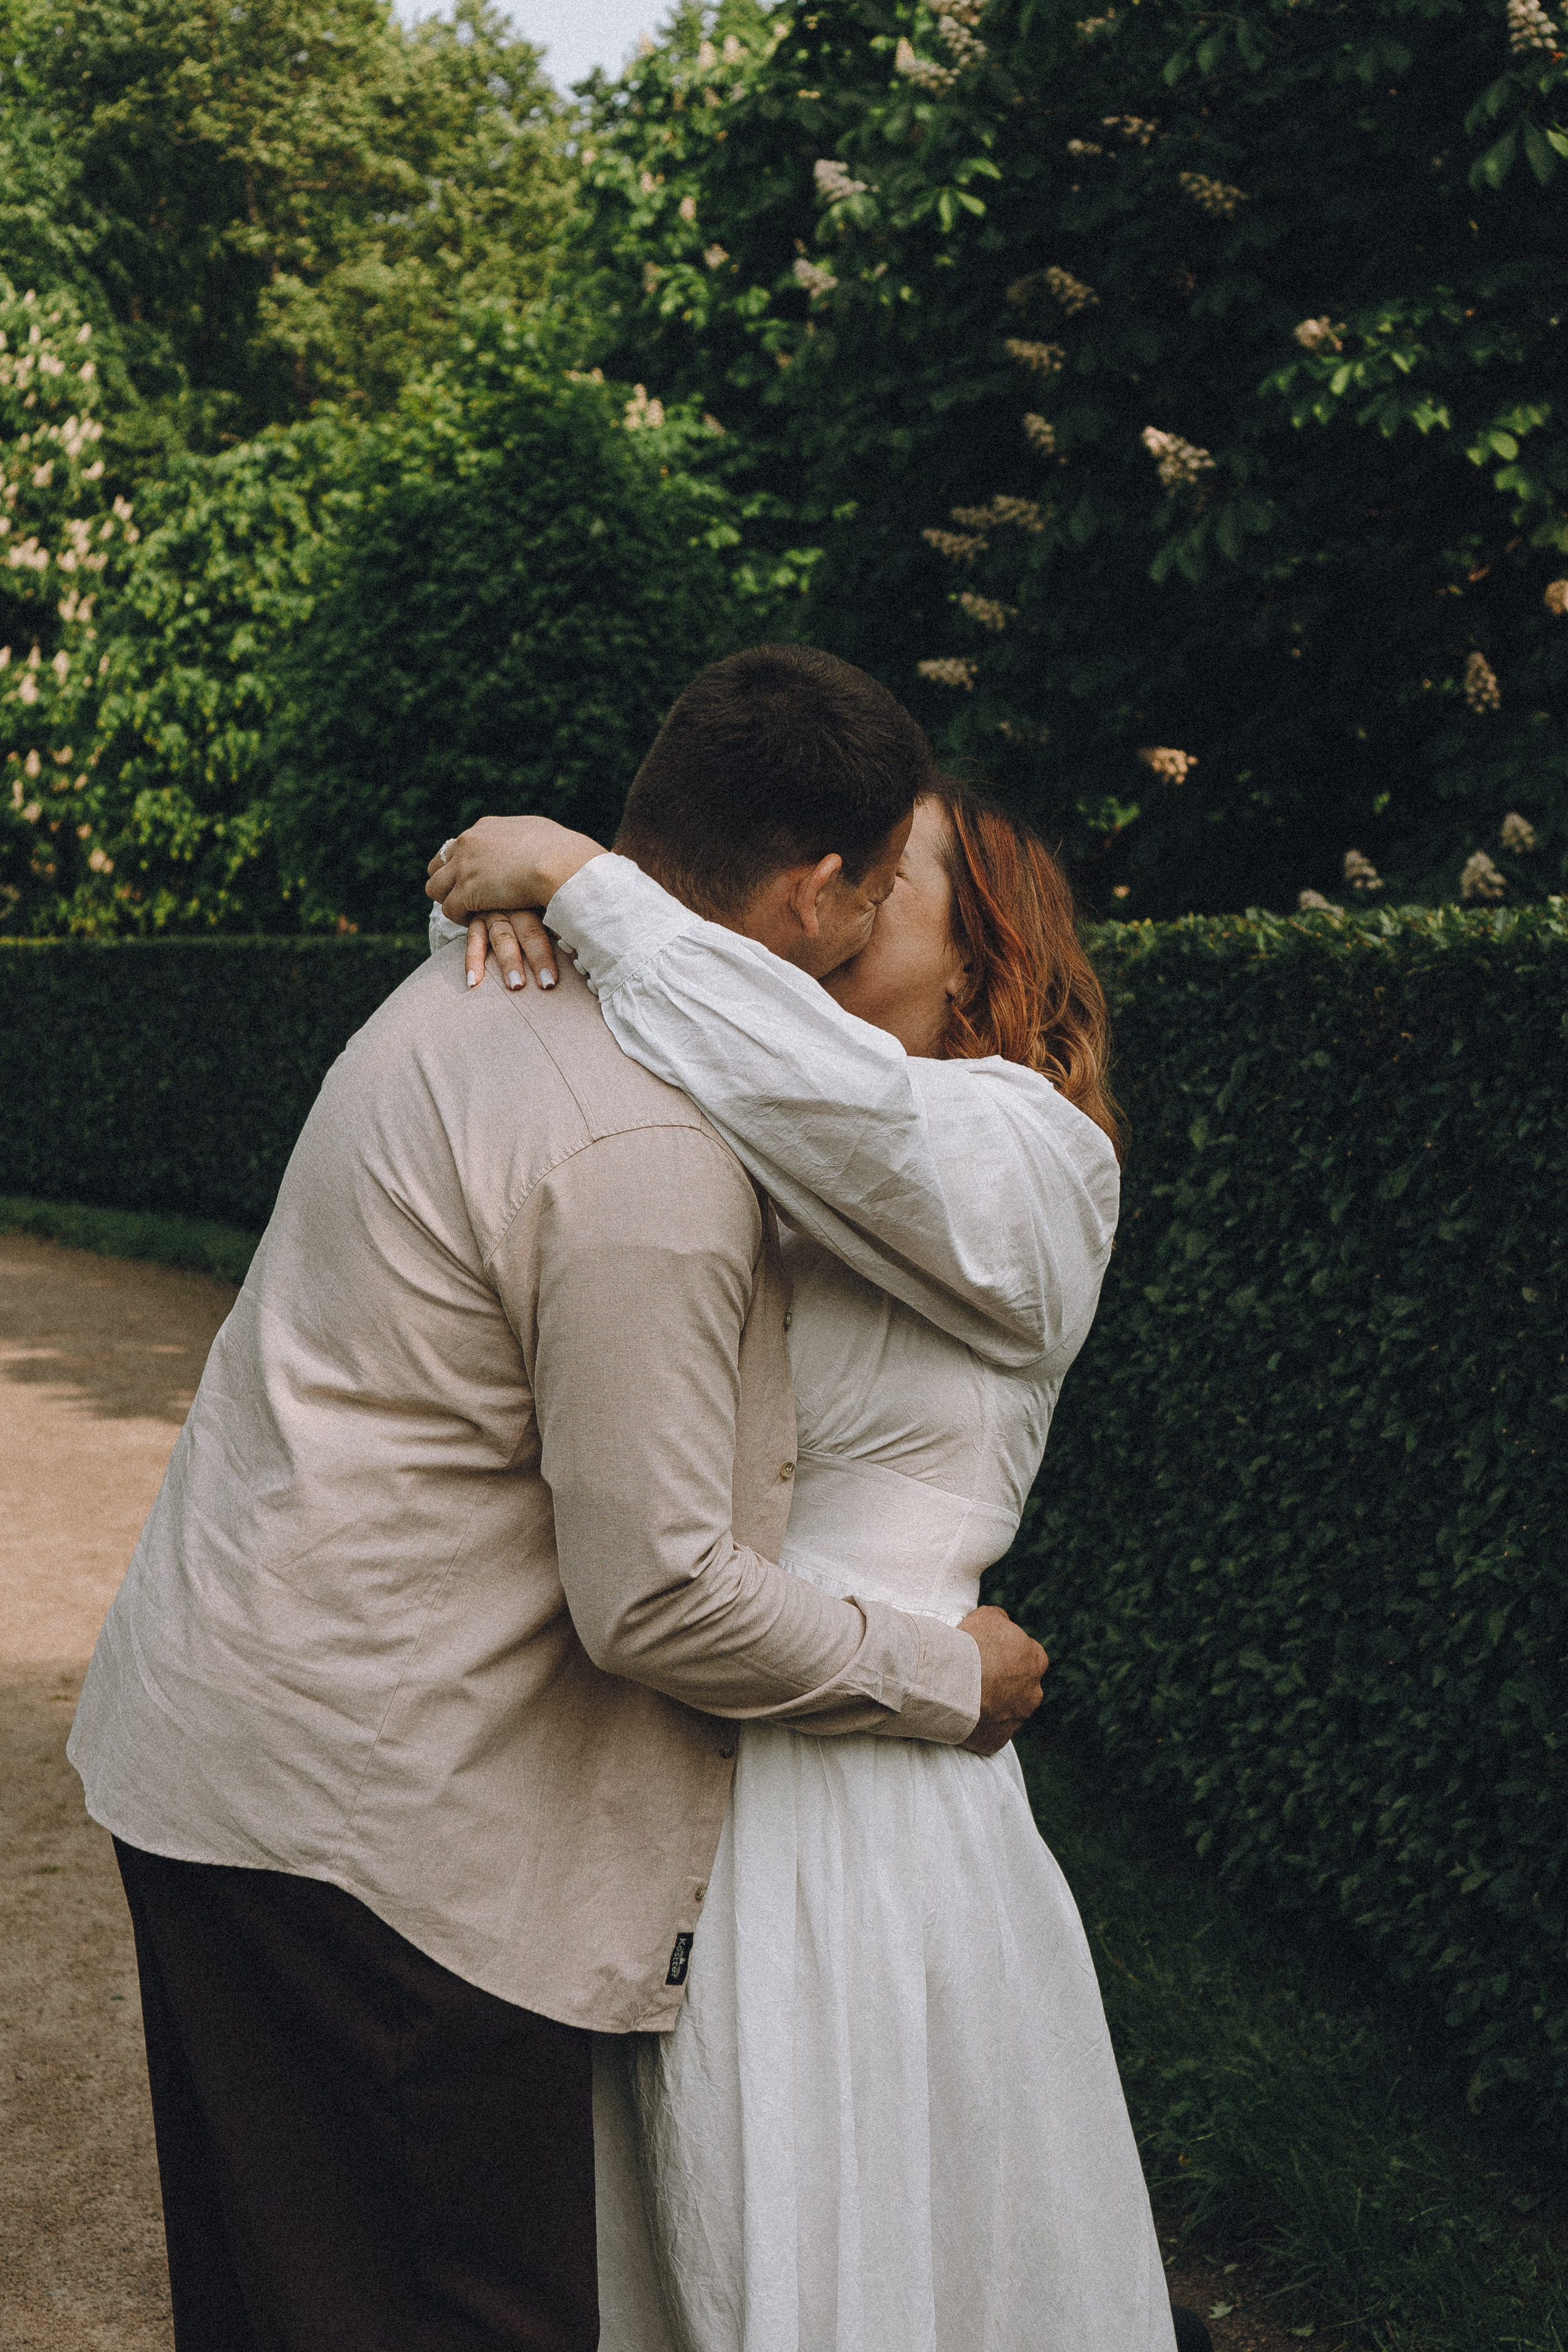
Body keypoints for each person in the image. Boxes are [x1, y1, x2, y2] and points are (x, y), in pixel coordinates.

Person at [67, 643, 1050, 2352]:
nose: (896, 908)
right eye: (890, 879)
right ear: (818, 892)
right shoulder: (651, 1154)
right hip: (386, 1834)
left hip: (228, 1759)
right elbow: (660, 1594)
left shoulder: (472, 988)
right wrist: (953, 1675)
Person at [426, 778, 1181, 2352]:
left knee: (875, 2240)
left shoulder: (1031, 1159)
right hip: (677, 1735)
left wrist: (581, 879)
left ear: (982, 960)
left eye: (885, 878)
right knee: (702, 2239)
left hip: (870, 1802)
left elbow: (847, 1106)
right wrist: (521, 912)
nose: (821, 887)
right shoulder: (745, 1102)